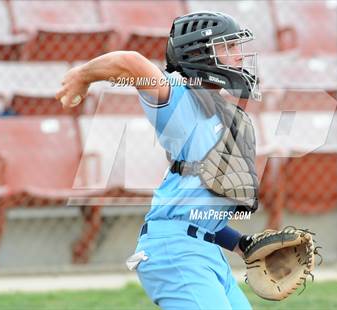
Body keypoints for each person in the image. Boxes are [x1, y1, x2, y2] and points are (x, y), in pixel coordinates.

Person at [57, 11, 261, 310]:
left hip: (204, 254)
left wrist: (241, 245)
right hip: (177, 253)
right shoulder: (180, 100)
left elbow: (198, 214)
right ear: (198, 53)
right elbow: (131, 63)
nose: (239, 57)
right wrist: (82, 75)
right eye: (226, 47)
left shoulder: (223, 113)